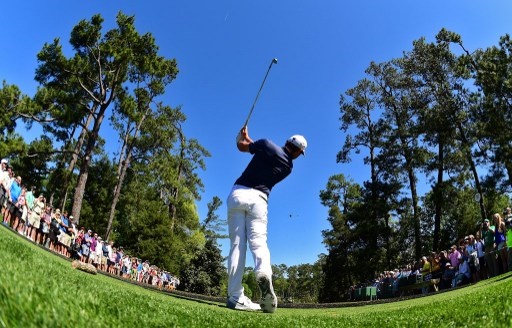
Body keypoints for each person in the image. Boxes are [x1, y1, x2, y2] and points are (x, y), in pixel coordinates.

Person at [226, 126, 307, 313]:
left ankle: (235, 296)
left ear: (288, 142)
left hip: (238, 193)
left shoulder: (267, 144)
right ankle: (263, 272)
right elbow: (264, 151)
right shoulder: (289, 167)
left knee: (237, 245)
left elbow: (242, 146)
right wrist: (248, 139)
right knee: (259, 243)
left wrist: (240, 136)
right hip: (259, 200)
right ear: (296, 151)